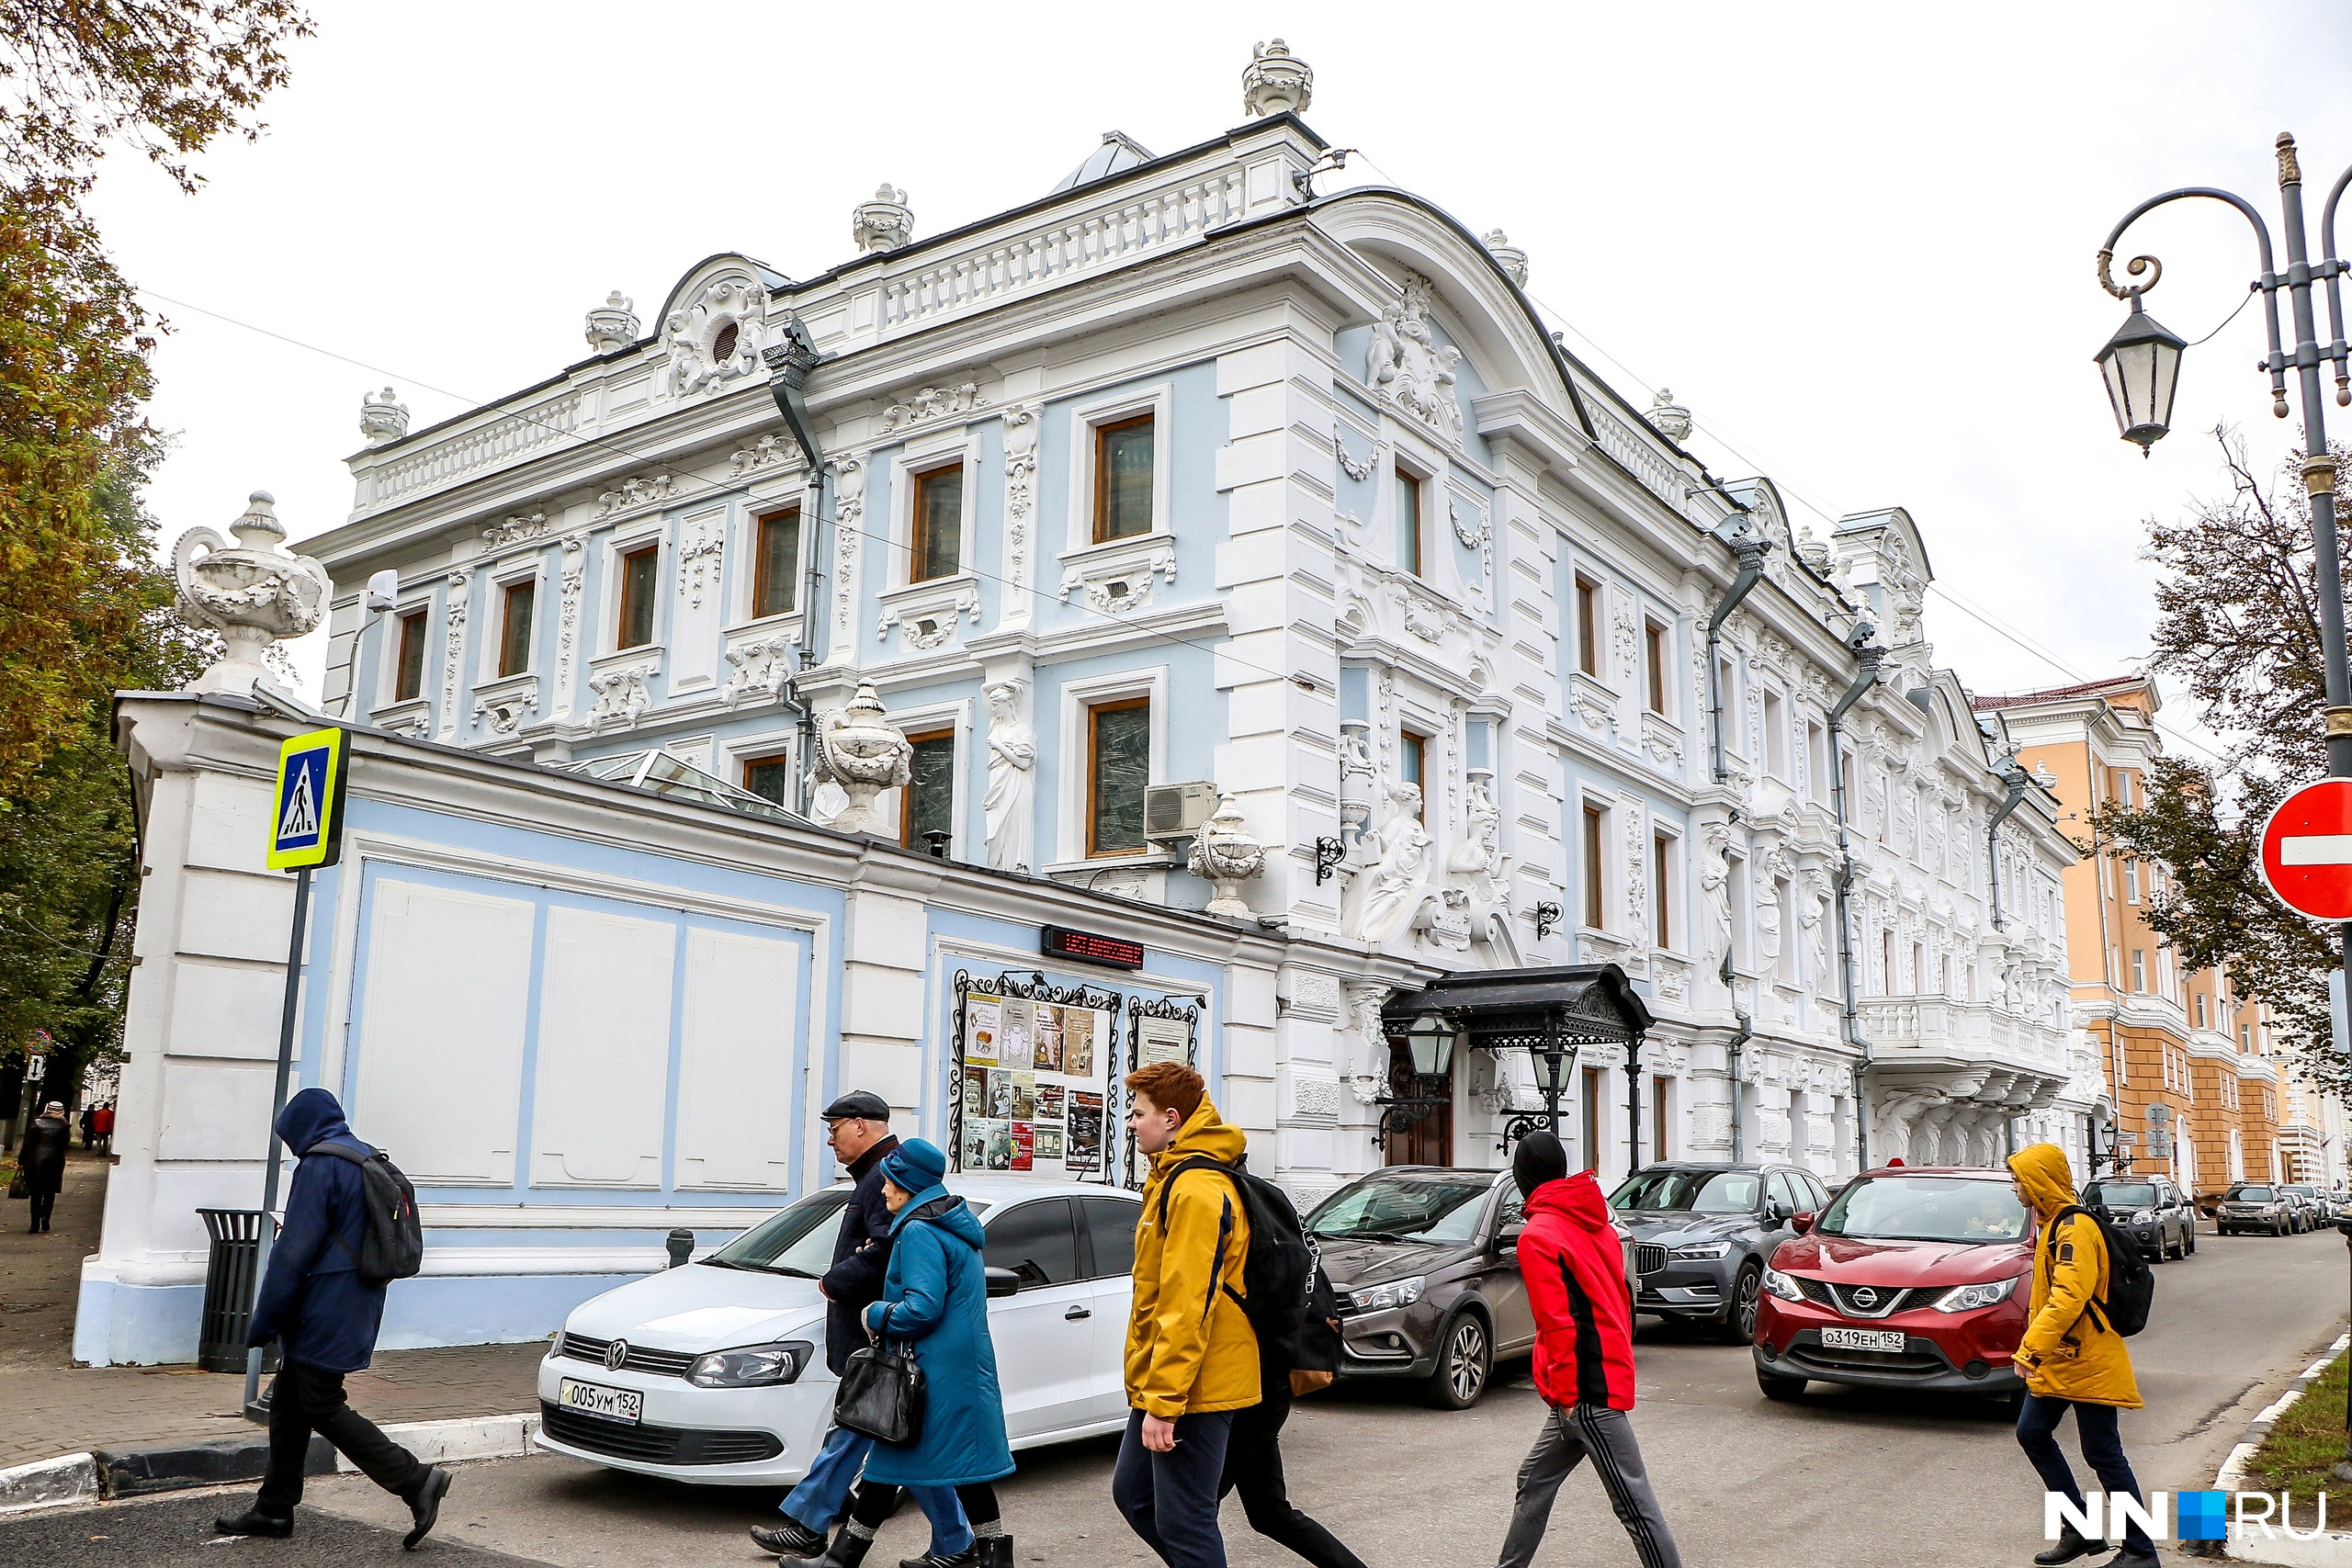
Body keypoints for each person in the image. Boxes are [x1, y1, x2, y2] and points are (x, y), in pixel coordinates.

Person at [215, 1088, 451, 1550]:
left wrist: (263, 1321)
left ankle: (414, 1479)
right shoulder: (363, 1156)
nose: (291, 1148)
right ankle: (274, 1509)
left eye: (290, 1139)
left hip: (324, 1303)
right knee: (289, 1401)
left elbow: (293, 1253)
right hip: (355, 1299)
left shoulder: (321, 1165)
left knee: (320, 1402)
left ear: (302, 1128)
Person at [1494, 1130, 1683, 1568]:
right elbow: (1617, 1296)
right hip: (1595, 1373)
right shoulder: (1592, 1217)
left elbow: (1556, 1323)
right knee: (1534, 1481)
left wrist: (1566, 1396)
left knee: (1635, 1506)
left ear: (1523, 1177)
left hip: (1583, 1388)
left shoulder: (1538, 1233)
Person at [1113, 1062, 1259, 1568]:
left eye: (1138, 1114)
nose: (1130, 1123)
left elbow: (1187, 1303)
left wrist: (1166, 1403)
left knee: (1185, 1519)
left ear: (1171, 1118)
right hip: (1169, 1378)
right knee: (1134, 1495)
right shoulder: (1171, 1178)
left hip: (1198, 1384)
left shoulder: (1195, 1189)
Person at [752, 1091, 903, 1562]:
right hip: (870, 1334)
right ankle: (963, 1541)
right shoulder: (874, 1174)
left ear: (861, 1125)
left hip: (877, 1334)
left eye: (834, 1128)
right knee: (901, 1449)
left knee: (854, 1430)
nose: (830, 1139)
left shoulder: (886, 1175)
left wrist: (836, 1281)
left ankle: (809, 1524)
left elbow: (884, 1249)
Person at [856, 1136, 1015, 1568]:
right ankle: (996, 1558)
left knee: (887, 1464)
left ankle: (839, 1559)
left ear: (907, 1186)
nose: (884, 1191)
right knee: (962, 1470)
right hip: (956, 1368)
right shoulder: (950, 1225)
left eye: (889, 1183)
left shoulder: (919, 1231)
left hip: (930, 1372)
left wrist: (876, 1313)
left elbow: (921, 1308)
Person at [2008, 1143, 2157, 1567]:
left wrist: (2030, 1350)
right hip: (2062, 1358)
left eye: (2018, 1179)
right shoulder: (2052, 1222)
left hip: (2086, 1358)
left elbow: (2069, 1298)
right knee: (2032, 1433)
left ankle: (2141, 1553)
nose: (2014, 1187)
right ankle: (2080, 1530)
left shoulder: (2074, 1228)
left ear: (2038, 1182)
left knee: (2103, 1453)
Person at [1216, 1247, 1366, 1568]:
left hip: (1254, 1389)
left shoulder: (1246, 1225)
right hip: (1269, 1388)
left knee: (1191, 1514)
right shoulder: (1282, 1231)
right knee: (1269, 1513)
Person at [18, 1100, 70, 1234]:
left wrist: (21, 1160)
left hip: (36, 1160)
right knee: (50, 1192)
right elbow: (65, 1144)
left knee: (35, 1192)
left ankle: (34, 1224)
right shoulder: (65, 1126)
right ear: (61, 1112)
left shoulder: (36, 1123)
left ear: (47, 1109)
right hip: (55, 1160)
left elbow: (28, 1144)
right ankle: (46, 1218)